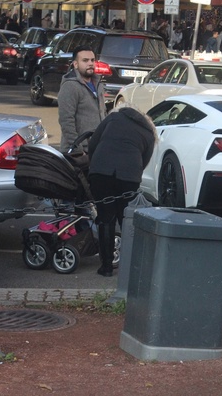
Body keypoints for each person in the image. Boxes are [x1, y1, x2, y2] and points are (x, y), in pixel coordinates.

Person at [87, 103, 157, 277]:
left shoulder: (113, 118)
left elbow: (93, 143)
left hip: (101, 171)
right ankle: (130, 267)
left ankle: (106, 266)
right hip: (129, 177)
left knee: (105, 218)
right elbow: (144, 160)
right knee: (126, 219)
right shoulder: (149, 133)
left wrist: (93, 164)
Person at [57, 45, 106, 152]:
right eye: (85, 60)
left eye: (92, 60)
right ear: (75, 64)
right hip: (77, 151)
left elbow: (103, 114)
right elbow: (66, 120)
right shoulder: (70, 86)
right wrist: (77, 148)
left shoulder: (98, 84)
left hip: (96, 148)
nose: (90, 63)